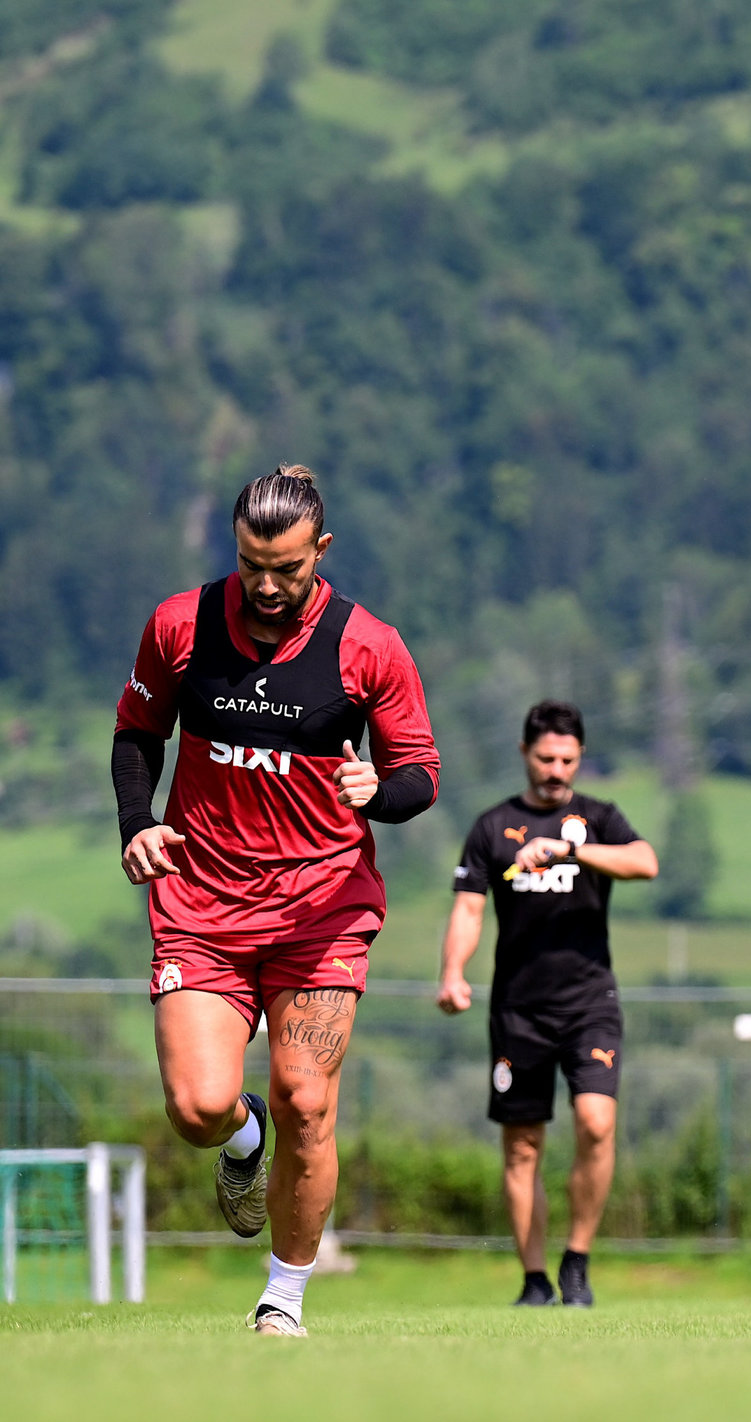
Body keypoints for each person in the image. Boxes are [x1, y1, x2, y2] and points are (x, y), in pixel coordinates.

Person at [114, 466, 440, 1336]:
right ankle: (240, 1138)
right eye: (253, 564)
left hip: (322, 906)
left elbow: (420, 774)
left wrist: (382, 791)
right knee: (195, 1110)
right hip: (202, 902)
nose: (267, 585)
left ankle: (281, 1301)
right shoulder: (179, 625)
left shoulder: (370, 645)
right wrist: (135, 824)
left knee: (308, 1097)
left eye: (287, 570)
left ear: (320, 553)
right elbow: (138, 736)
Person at [437, 700, 658, 1307]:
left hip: (590, 1002)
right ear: (524, 754)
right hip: (518, 1009)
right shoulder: (491, 827)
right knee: (522, 1145)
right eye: (545, 758)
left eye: (567, 759)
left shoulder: (599, 818)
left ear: (580, 758)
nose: (556, 770)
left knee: (596, 1121)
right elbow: (468, 907)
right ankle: (534, 1280)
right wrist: (453, 972)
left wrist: (573, 851)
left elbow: (645, 862)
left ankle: (577, 1261)